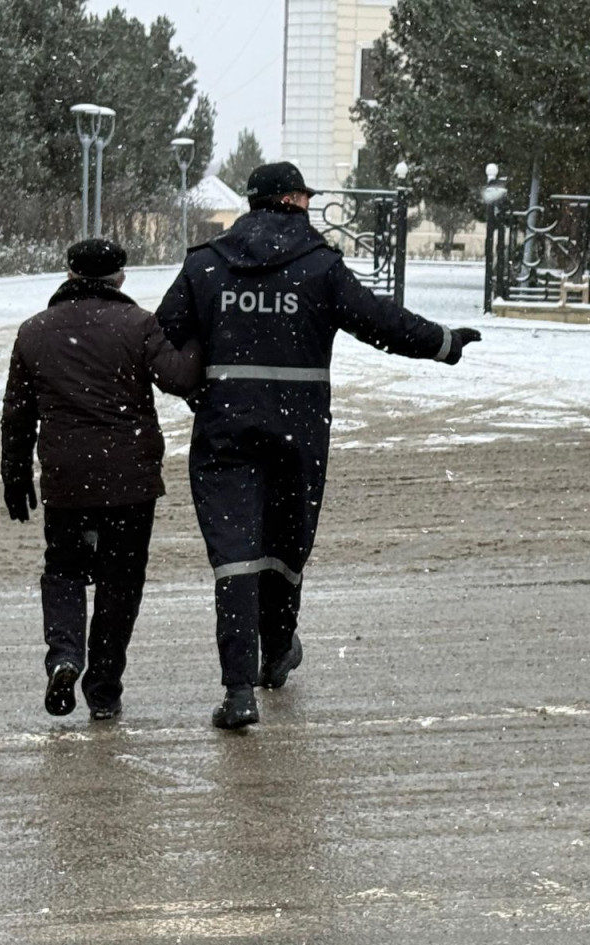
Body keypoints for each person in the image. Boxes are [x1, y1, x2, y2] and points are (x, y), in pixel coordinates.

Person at [155, 161, 482, 730]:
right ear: (294, 200)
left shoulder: (205, 264)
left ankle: (239, 690)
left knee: (235, 556)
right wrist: (444, 343)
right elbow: (381, 323)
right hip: (297, 430)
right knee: (286, 545)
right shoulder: (318, 266)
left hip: (226, 429)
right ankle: (278, 649)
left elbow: (160, 341)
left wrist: (197, 389)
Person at [1, 238, 201, 721]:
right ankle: (104, 689)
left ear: (69, 274)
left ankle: (65, 654)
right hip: (130, 479)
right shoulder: (137, 324)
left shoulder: (35, 331)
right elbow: (179, 378)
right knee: (121, 580)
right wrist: (199, 336)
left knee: (64, 569)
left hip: (66, 478)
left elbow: (18, 414)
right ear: (120, 277)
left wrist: (15, 471)